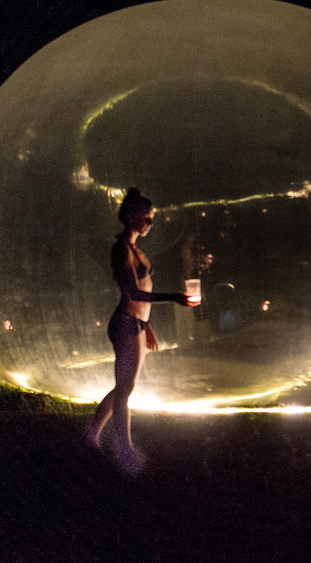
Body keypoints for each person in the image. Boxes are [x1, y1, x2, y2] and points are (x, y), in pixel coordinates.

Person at [86, 188, 197, 474]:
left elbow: (141, 292)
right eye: (146, 218)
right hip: (125, 323)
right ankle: (124, 450)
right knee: (126, 389)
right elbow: (133, 292)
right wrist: (173, 298)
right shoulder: (122, 250)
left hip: (135, 325)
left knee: (125, 387)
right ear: (133, 218)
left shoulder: (135, 248)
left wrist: (147, 326)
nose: (150, 223)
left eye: (151, 218)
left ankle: (91, 436)